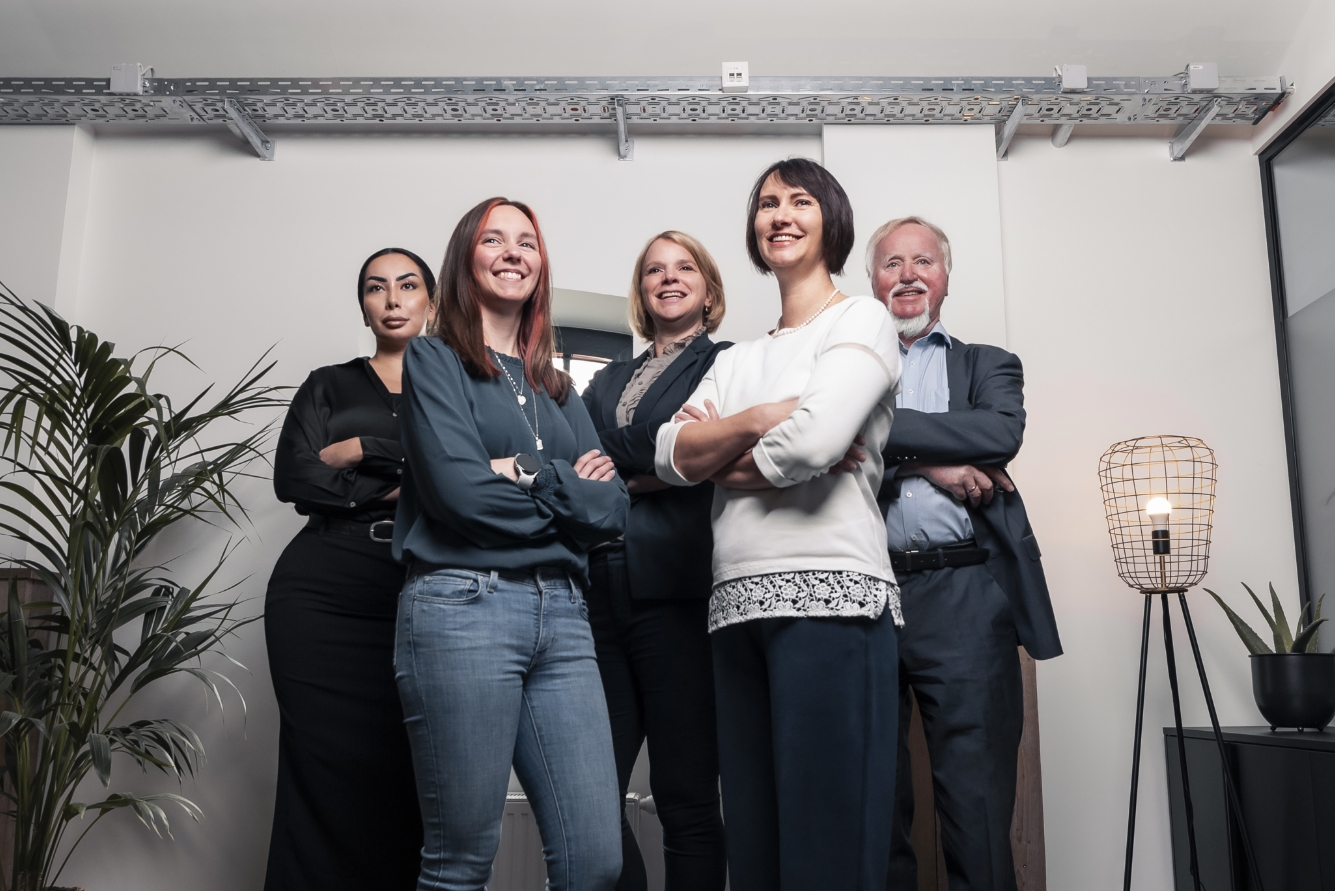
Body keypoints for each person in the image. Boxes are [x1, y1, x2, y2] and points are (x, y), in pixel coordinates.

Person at [654, 158, 903, 891]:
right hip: (736, 606)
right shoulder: (737, 359)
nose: (780, 214)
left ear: (831, 220)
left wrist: (723, 450)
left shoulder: (861, 318)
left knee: (829, 843)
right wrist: (765, 417)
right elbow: (669, 454)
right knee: (757, 850)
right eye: (767, 203)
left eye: (799, 200)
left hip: (833, 600)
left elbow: (819, 441)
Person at [392, 197, 629, 891]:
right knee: (460, 859)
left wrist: (522, 471)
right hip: (461, 605)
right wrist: (566, 495)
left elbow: (612, 508)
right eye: (493, 240)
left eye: (526, 241)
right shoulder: (433, 360)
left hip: (563, 613)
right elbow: (458, 497)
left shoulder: (555, 385)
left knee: (595, 861)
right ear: (466, 259)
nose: (512, 251)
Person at [867, 216, 1061, 891]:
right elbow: (823, 456)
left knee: (976, 805)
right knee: (872, 802)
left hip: (964, 594)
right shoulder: (848, 367)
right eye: (891, 262)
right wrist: (940, 464)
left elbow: (997, 432)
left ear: (943, 278)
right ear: (872, 281)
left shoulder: (987, 364)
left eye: (922, 261)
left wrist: (887, 440)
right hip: (863, 593)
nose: (907, 274)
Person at [264, 247, 435, 891]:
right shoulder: (327, 384)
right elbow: (296, 478)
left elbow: (477, 474)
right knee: (319, 769)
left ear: (432, 300)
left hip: (422, 588)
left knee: (406, 768)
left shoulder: (463, 383)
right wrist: (414, 481)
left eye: (407, 285)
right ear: (363, 305)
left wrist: (364, 448)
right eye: (375, 288)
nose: (392, 299)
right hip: (321, 594)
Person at [581, 231, 731, 891]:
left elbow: (706, 453)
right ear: (641, 290)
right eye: (653, 271)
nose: (668, 279)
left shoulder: (726, 361)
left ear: (707, 284)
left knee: (686, 796)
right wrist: (660, 456)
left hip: (676, 593)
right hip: (593, 593)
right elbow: (571, 464)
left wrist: (654, 456)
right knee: (588, 797)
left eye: (683, 268)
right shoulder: (606, 375)